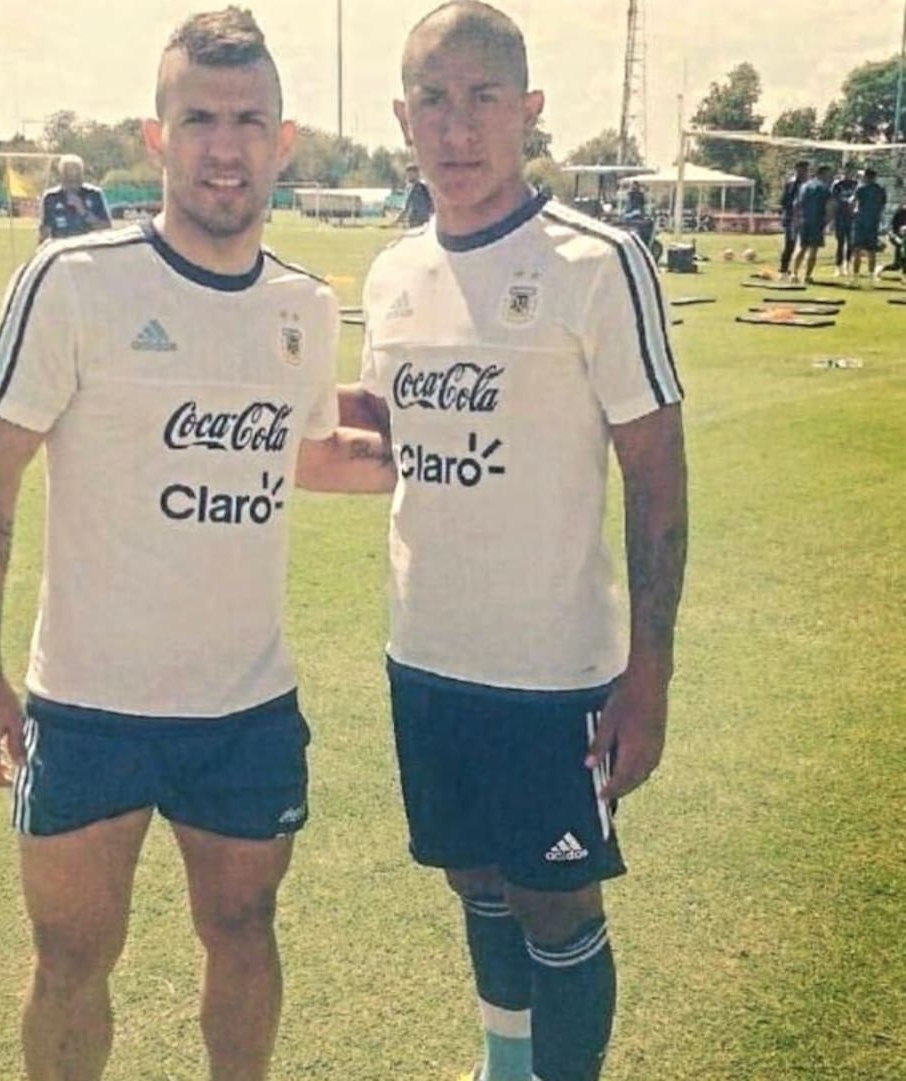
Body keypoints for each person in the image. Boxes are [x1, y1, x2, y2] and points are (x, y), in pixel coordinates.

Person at [0, 8, 391, 1081]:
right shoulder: (75, 281)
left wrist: (457, 458)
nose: (224, 147)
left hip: (244, 709)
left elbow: (298, 451)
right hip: (87, 706)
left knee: (243, 932)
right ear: (156, 138)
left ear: (285, 140)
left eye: (249, 121)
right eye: (199, 120)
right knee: (71, 956)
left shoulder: (303, 305)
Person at [339, 4, 687, 1080]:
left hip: (552, 672)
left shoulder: (597, 261)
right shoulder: (393, 272)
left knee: (556, 898)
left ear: (530, 111)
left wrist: (650, 673)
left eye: (483, 97)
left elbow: (657, 474)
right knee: (476, 877)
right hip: (427, 655)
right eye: (434, 101)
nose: (457, 127)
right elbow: (386, 434)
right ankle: (505, 1062)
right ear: (402, 117)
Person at [38, 153, 112, 242]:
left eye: (76, 174)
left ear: (81, 174)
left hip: (88, 245)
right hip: (62, 247)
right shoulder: (51, 197)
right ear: (62, 175)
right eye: (68, 175)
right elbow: (45, 233)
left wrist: (83, 211)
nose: (72, 178)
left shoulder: (94, 194)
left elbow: (106, 228)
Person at [791, 163, 833, 284]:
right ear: (823, 174)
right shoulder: (824, 188)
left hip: (804, 220)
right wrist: (827, 221)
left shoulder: (804, 186)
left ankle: (794, 274)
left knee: (801, 248)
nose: (830, 177)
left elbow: (796, 204)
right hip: (817, 222)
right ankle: (807, 276)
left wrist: (796, 219)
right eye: (829, 174)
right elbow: (829, 206)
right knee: (813, 250)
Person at [850, 166, 888, 282]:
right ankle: (871, 276)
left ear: (866, 176)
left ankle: (856, 277)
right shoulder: (880, 189)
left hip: (861, 221)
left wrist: (854, 212)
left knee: (857, 249)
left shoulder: (861, 188)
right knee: (872, 251)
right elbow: (882, 205)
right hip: (873, 222)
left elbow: (852, 201)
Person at [778, 159, 809, 280]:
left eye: (806, 170)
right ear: (797, 170)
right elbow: (784, 201)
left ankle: (796, 270)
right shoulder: (791, 183)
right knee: (789, 244)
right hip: (791, 218)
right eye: (802, 170)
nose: (804, 172)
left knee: (803, 246)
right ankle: (783, 270)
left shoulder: (808, 184)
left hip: (804, 218)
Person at [829, 162, 858, 276]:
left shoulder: (856, 184)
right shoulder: (837, 184)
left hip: (852, 217)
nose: (849, 173)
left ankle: (847, 265)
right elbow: (833, 201)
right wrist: (832, 218)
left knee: (851, 242)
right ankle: (838, 266)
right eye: (847, 170)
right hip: (840, 216)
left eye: (851, 170)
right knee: (840, 242)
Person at [392, 162, 435, 227]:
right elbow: (406, 206)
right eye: (408, 174)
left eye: (411, 174)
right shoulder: (409, 187)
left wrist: (396, 220)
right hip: (414, 220)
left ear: (417, 174)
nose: (409, 176)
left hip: (422, 221)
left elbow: (432, 204)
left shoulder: (423, 187)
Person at [885, 198, 906, 273]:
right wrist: (896, 237)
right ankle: (880, 269)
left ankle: (903, 268)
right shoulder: (899, 213)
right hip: (895, 236)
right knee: (897, 265)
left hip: (902, 238)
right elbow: (891, 230)